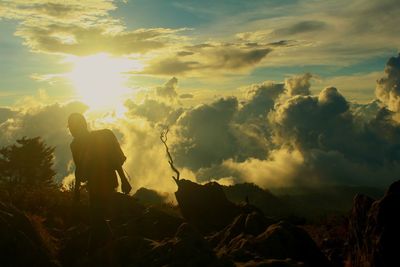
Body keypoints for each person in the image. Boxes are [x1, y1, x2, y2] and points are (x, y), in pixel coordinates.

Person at [68, 112, 131, 250]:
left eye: (72, 127)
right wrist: (76, 191)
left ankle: (107, 247)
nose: (72, 130)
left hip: (103, 182)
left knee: (97, 217)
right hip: (99, 184)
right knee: (99, 216)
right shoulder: (83, 143)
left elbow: (112, 162)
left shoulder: (86, 142)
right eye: (70, 128)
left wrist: (76, 191)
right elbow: (80, 168)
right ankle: (109, 245)